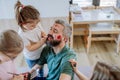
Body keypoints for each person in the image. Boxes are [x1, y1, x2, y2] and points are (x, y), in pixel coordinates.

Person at [14, 1, 47, 78]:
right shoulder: (22, 34)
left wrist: (43, 34)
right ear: (23, 24)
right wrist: (42, 43)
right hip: (32, 57)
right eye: (32, 25)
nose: (35, 26)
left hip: (40, 53)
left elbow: (41, 30)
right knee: (34, 72)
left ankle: (41, 77)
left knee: (40, 68)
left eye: (37, 23)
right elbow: (30, 48)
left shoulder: (35, 23)